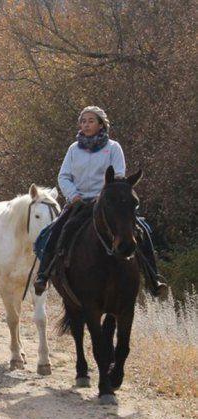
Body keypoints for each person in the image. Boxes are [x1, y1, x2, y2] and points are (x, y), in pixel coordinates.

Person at [33, 106, 167, 296]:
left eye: (91, 121)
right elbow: (64, 176)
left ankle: (154, 279)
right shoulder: (73, 149)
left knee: (142, 230)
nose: (86, 125)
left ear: (101, 124)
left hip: (107, 203)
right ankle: (43, 274)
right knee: (56, 230)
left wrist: (103, 196)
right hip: (79, 202)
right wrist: (73, 195)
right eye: (83, 121)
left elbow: (119, 176)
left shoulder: (113, 147)